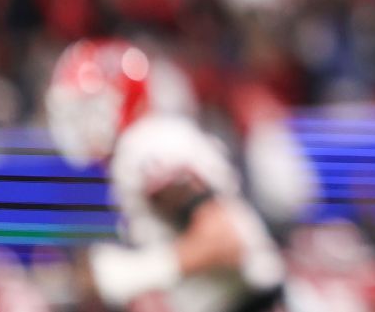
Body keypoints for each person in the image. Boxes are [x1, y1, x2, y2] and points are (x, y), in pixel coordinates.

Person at [44, 39, 292, 312]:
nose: (79, 123)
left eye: (90, 108)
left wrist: (134, 273)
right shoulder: (143, 148)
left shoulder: (143, 147)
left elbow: (225, 240)